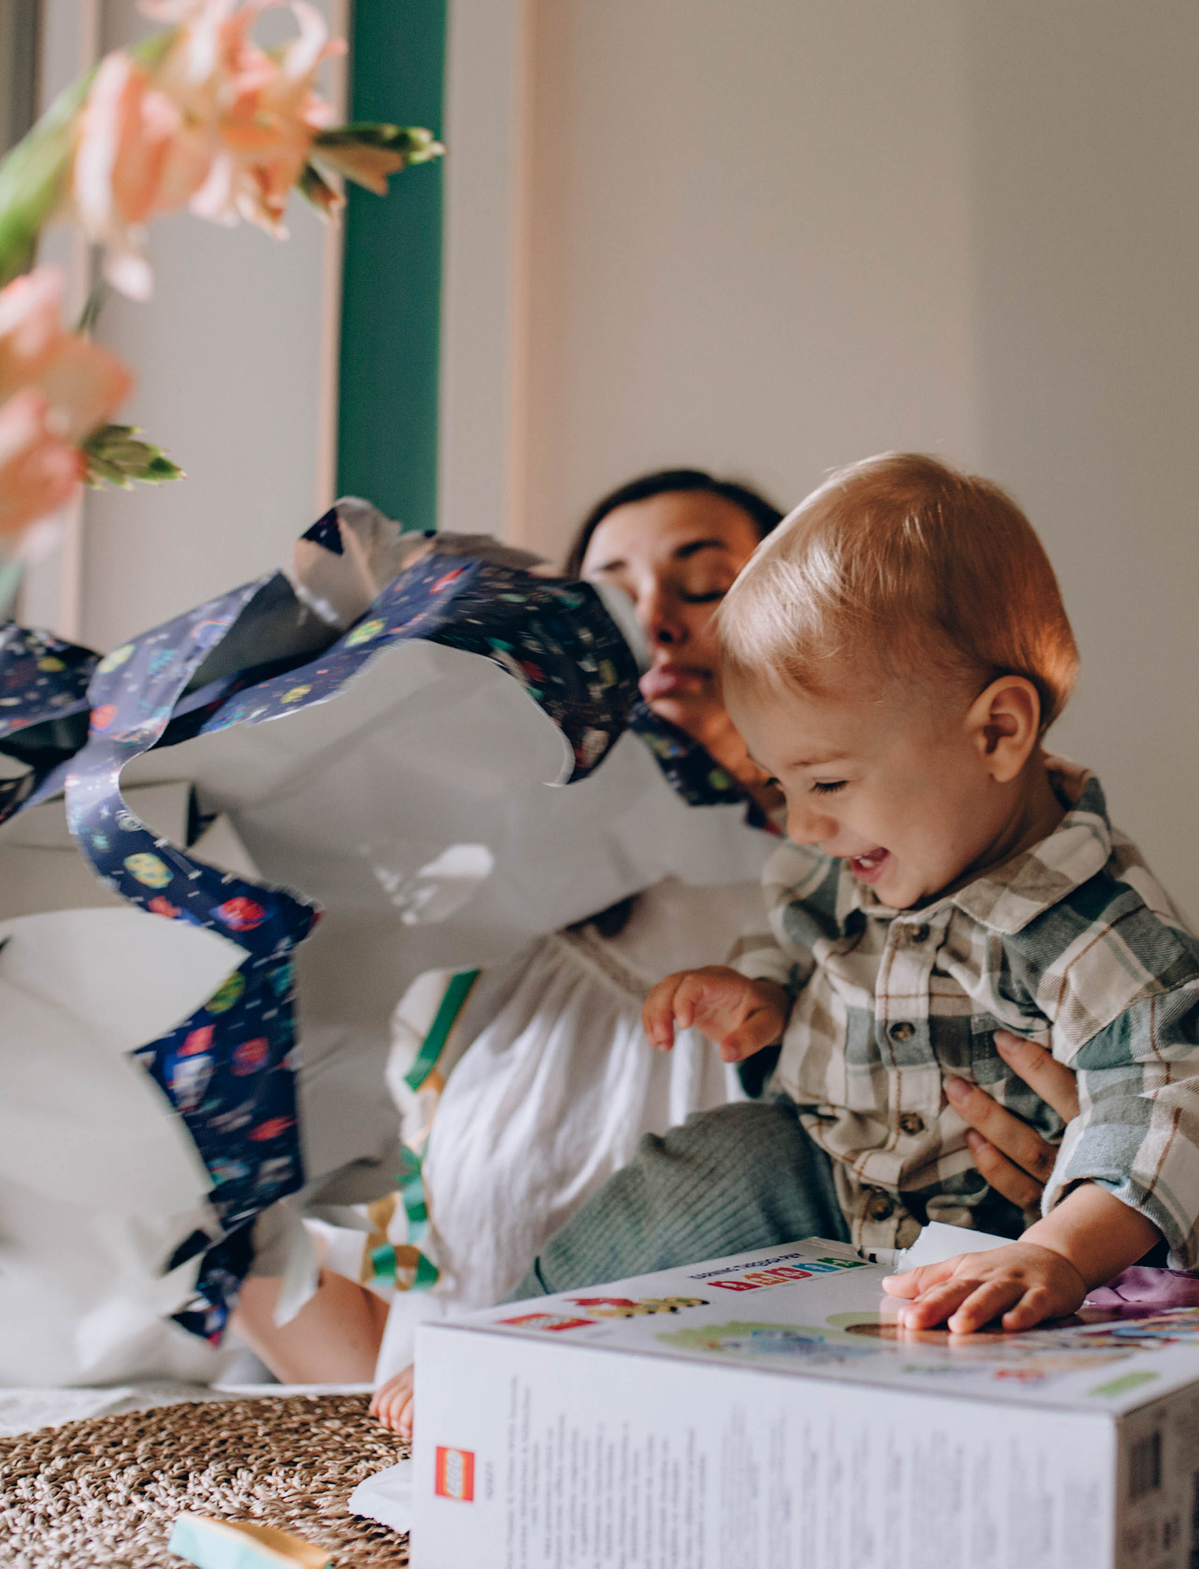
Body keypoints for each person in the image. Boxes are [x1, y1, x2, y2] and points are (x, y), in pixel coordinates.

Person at [519, 452, 1199, 1334]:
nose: (800, 826)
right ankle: (513, 1327)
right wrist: (760, 994)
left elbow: (1166, 1098)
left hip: (1003, 1253)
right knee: (717, 1157)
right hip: (830, 1205)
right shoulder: (850, 860)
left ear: (999, 732)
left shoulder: (1098, 930)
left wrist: (1061, 1249)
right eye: (779, 785)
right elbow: (792, 934)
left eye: (824, 783)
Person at [236, 469, 787, 1389]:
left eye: (704, 585)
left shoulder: (881, 924)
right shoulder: (456, 945)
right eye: (610, 591)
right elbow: (386, 1354)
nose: (654, 619)